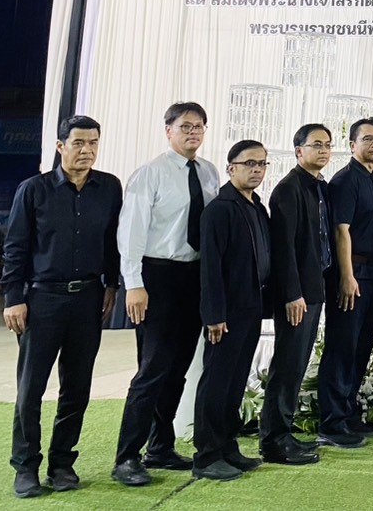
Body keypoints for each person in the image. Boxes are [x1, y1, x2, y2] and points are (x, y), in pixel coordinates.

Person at [2, 115, 121, 499]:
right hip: (42, 300)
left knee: (77, 388)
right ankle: (25, 467)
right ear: (59, 147)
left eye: (93, 143)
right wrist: (13, 298)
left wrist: (112, 285)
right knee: (31, 388)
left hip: (88, 299)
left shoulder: (109, 188)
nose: (86, 150)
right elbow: (15, 247)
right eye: (78, 143)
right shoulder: (33, 190)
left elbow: (112, 244)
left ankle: (62, 463)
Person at [113, 101, 221, 487]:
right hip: (156, 277)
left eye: (199, 127)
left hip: (194, 276)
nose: (193, 133)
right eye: (186, 126)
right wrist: (134, 283)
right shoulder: (150, 174)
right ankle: (127, 457)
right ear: (168, 130)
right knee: (152, 369)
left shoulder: (208, 172)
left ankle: (160, 446)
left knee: (178, 368)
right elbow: (131, 233)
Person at [193, 139, 272, 482]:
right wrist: (214, 314)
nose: (256, 169)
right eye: (249, 163)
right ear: (231, 168)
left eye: (262, 164)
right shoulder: (219, 209)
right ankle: (206, 454)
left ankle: (227, 446)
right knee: (217, 381)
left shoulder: (257, 207)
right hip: (225, 312)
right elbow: (210, 267)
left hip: (251, 308)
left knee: (237, 380)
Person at [260, 123, 335, 465]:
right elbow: (284, 248)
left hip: (315, 287)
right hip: (297, 293)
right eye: (316, 144)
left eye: (327, 145)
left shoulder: (318, 187)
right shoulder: (289, 189)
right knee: (287, 365)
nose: (323, 150)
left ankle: (284, 432)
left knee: (298, 363)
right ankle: (274, 440)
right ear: (298, 150)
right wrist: (292, 294)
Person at [318, 117, 373, 448]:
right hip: (352, 273)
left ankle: (348, 414)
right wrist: (346, 276)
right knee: (342, 347)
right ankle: (331, 422)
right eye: (367, 139)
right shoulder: (345, 180)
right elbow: (340, 231)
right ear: (351, 145)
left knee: (361, 346)